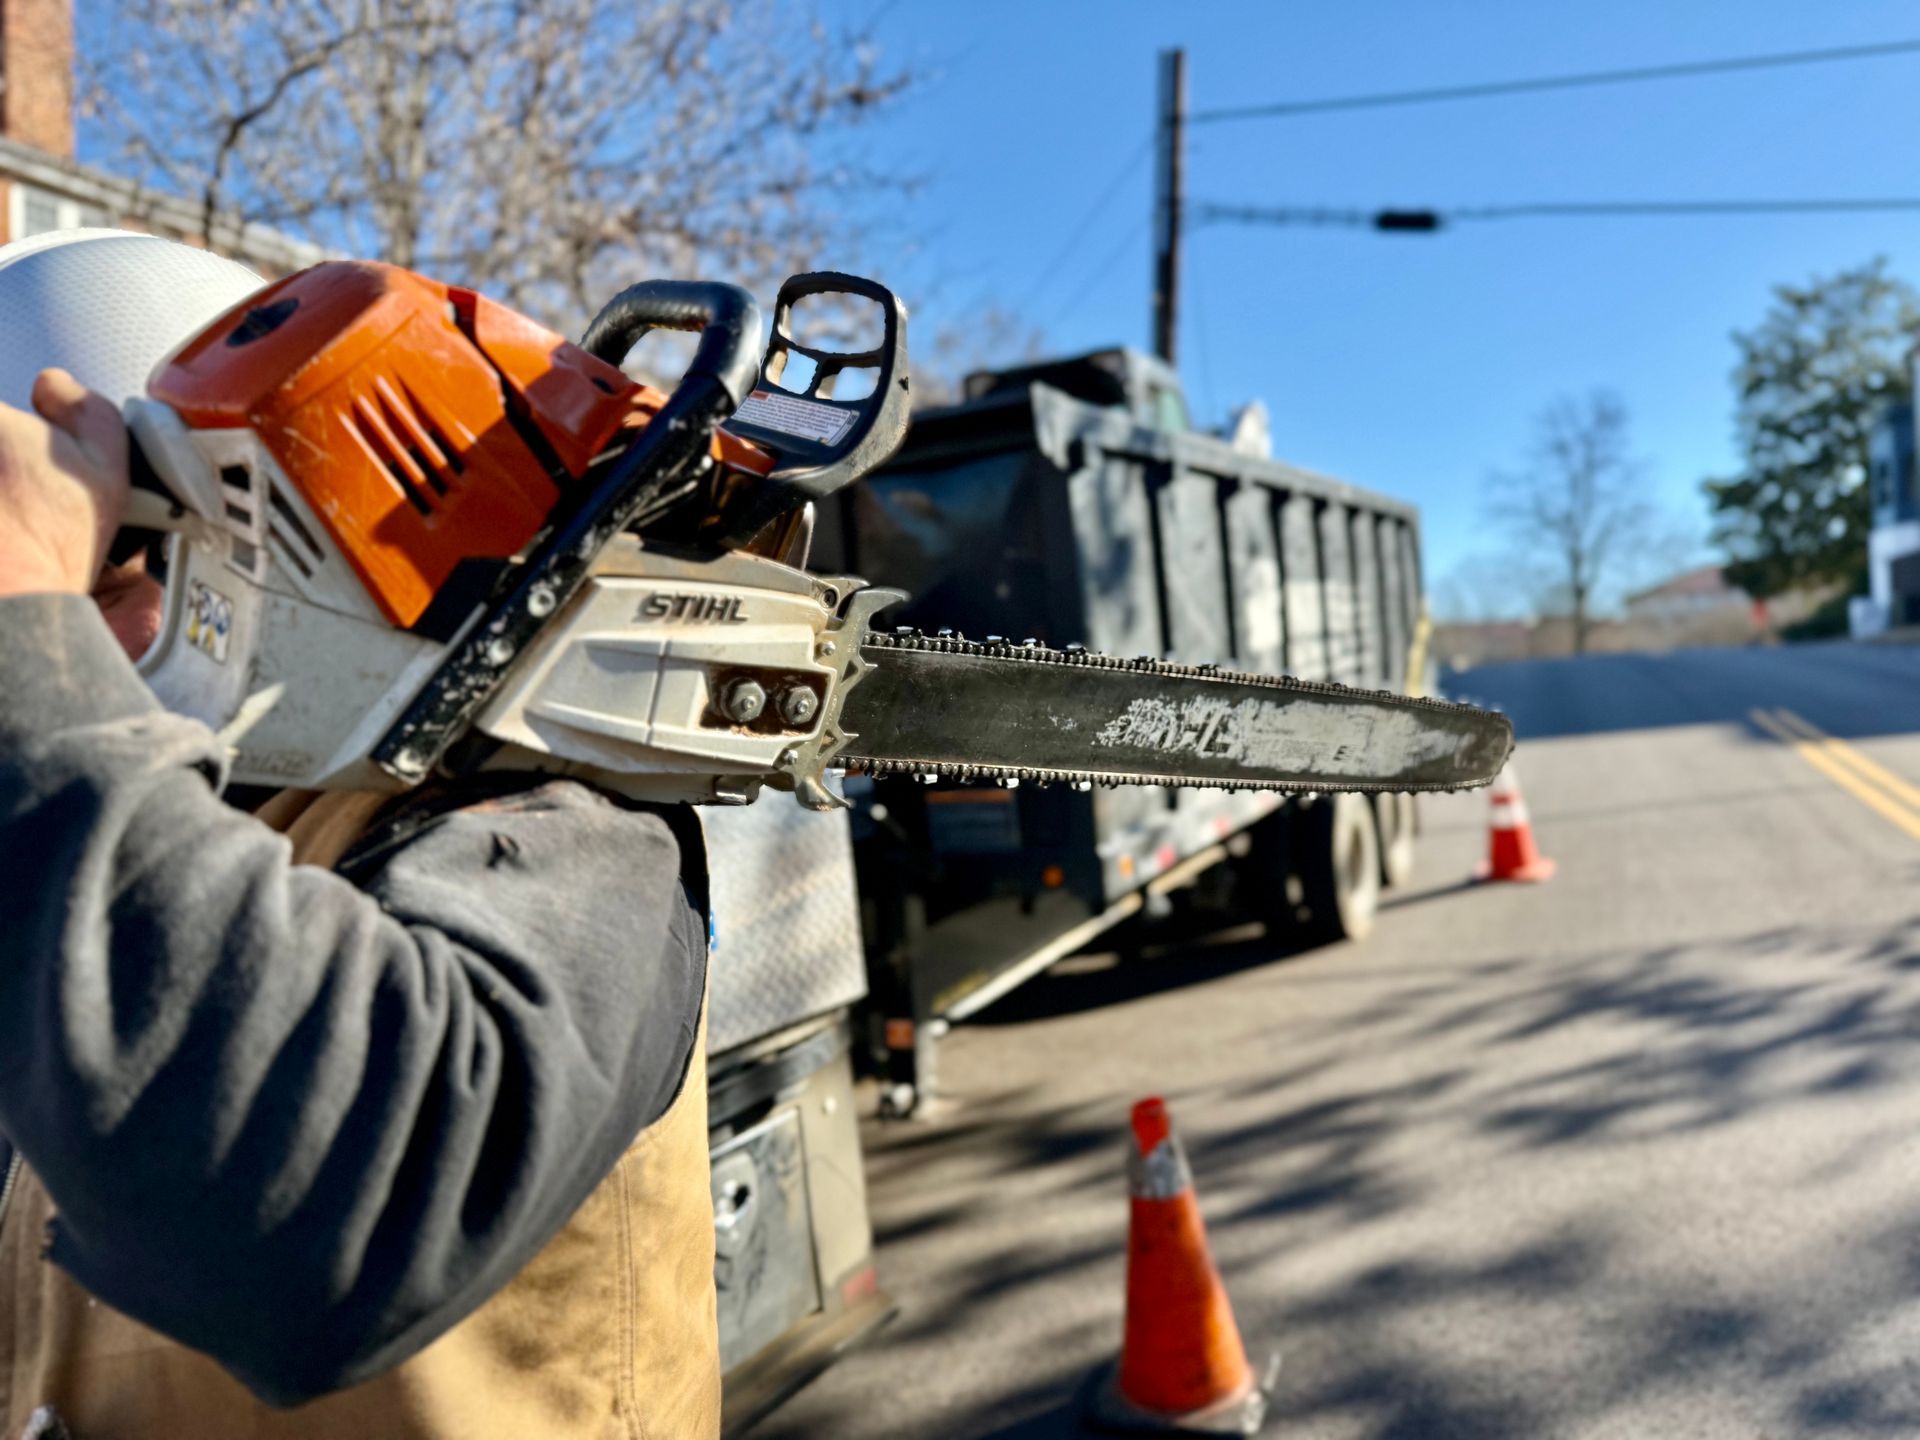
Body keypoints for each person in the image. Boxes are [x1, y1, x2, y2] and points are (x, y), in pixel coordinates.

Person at [0, 298, 720, 1431]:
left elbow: (332, 1225)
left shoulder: (560, 824)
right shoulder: (92, 828)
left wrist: (21, 635)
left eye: (104, 587)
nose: (76, 659)